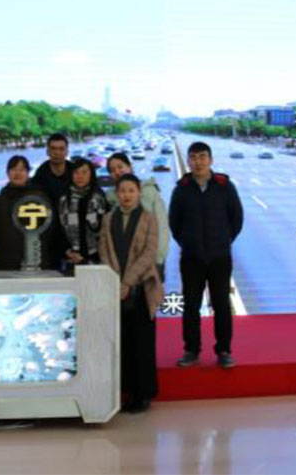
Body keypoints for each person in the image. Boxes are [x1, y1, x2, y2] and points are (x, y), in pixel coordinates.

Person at [169, 141, 243, 369]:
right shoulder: (182, 189)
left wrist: (223, 241)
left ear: (211, 160)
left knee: (221, 304)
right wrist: (188, 243)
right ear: (188, 161)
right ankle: (191, 350)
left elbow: (237, 219)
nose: (198, 162)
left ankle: (224, 350)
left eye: (202, 157)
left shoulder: (224, 187)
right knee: (191, 305)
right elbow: (174, 223)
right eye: (193, 157)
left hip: (220, 257)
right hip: (191, 259)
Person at [99, 173, 163, 413]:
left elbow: (149, 253)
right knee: (122, 342)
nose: (126, 195)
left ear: (138, 193)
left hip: (141, 288)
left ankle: (143, 394)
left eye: (131, 191)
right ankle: (124, 392)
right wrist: (116, 280)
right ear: (117, 194)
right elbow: (104, 251)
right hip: (115, 289)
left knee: (142, 343)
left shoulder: (148, 218)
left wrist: (127, 282)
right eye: (122, 191)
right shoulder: (108, 219)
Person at [106, 152, 169, 281]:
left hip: (150, 261)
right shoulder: (110, 197)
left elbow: (162, 226)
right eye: (112, 170)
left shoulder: (149, 190)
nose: (117, 172)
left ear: (130, 167)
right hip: (123, 263)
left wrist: (159, 258)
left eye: (120, 167)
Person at [0, 155, 53, 271]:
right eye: (14, 169)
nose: (18, 173)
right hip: (6, 262)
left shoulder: (39, 198)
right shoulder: (0, 199)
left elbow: (48, 230)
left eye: (22, 169)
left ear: (28, 173)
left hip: (34, 259)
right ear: (7, 173)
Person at [57, 157, 109, 267]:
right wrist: (67, 251)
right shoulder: (64, 199)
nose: (80, 176)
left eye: (84, 172)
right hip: (70, 256)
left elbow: (105, 230)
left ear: (91, 175)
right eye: (76, 172)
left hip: (96, 255)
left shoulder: (98, 198)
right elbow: (58, 228)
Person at [32, 133, 73, 269]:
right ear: (47, 151)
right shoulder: (40, 175)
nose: (57, 152)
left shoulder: (74, 172)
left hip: (72, 233)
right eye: (53, 149)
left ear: (67, 151)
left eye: (61, 149)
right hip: (48, 235)